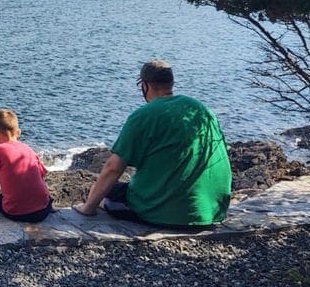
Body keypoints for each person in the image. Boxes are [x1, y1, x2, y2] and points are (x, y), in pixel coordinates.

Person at [73, 59, 232, 228]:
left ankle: (92, 206)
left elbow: (113, 168)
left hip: (164, 214)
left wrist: (88, 208)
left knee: (108, 194)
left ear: (145, 86)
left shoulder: (144, 115)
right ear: (171, 83)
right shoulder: (202, 110)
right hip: (214, 210)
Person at [0, 109, 53, 223]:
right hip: (43, 211)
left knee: (1, 199)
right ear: (18, 132)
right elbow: (41, 177)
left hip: (16, 213)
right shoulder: (28, 149)